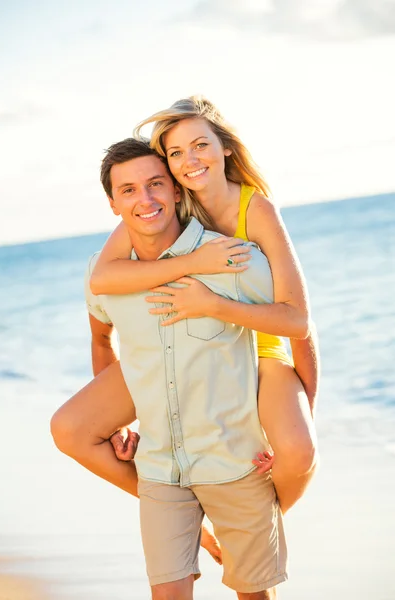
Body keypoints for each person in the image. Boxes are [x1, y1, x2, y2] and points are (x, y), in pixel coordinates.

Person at [89, 96, 320, 514]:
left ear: (225, 147)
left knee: (298, 453)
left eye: (200, 145)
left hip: (258, 348)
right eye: (176, 153)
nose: (190, 159)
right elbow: (103, 278)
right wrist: (197, 264)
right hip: (192, 351)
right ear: (169, 169)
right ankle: (187, 515)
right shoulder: (168, 204)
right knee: (74, 429)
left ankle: (257, 532)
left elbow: (300, 320)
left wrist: (306, 407)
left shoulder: (257, 210)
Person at [84, 137, 288, 598]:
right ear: (113, 203)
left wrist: (297, 422)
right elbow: (100, 337)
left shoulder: (231, 259)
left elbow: (295, 323)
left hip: (237, 465)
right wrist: (118, 422)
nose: (146, 199)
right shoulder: (103, 273)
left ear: (177, 190)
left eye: (156, 184)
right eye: (129, 190)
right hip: (159, 470)